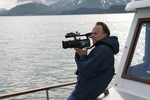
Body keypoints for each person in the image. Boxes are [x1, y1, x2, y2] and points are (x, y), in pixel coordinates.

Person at [67, 22, 119, 100]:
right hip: (87, 93)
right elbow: (82, 68)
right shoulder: (103, 49)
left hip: (82, 95)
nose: (91, 36)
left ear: (105, 35)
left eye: (95, 33)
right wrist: (79, 53)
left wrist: (83, 56)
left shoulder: (101, 50)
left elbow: (85, 72)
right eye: (91, 33)